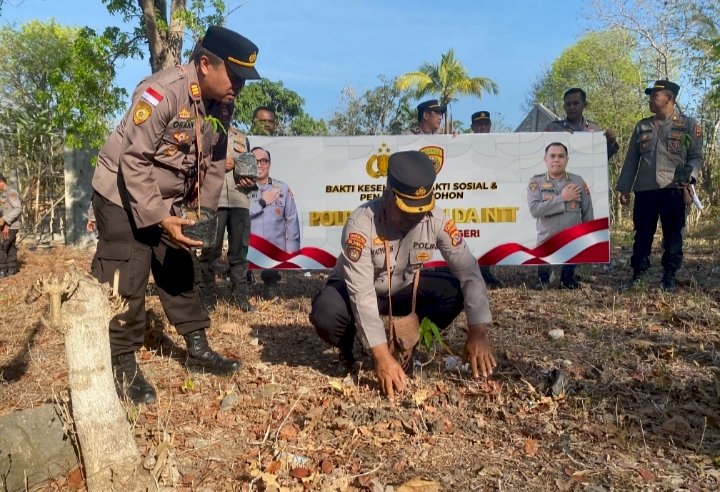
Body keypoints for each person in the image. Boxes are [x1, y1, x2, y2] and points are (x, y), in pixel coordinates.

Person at [90, 25, 261, 404]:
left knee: (179, 262)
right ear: (204, 64)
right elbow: (133, 160)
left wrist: (205, 212)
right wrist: (159, 217)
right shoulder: (162, 92)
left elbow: (214, 161)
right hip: (120, 191)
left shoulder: (223, 103)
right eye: (235, 76)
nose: (240, 86)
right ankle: (122, 361)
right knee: (127, 273)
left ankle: (197, 346)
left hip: (169, 198)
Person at [309, 151, 496, 401]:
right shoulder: (361, 224)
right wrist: (381, 357)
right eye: (407, 211)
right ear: (387, 196)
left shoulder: (435, 219)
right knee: (327, 312)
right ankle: (349, 348)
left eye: (421, 211)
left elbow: (470, 273)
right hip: (360, 293)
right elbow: (362, 296)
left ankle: (407, 345)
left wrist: (478, 332)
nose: (414, 218)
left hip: (400, 291)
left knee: (452, 291)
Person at [616, 80, 703, 291]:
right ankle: (638, 273)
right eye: (650, 96)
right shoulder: (642, 126)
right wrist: (625, 188)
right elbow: (631, 160)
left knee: (673, 234)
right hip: (645, 190)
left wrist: (690, 176)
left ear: (669, 99)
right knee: (642, 234)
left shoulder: (690, 125)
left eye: (655, 96)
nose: (650, 100)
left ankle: (669, 276)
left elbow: (696, 157)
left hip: (673, 188)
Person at [197, 127, 256, 311]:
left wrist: (251, 182)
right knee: (211, 251)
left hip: (240, 200)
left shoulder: (241, 136)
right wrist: (220, 165)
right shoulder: (206, 130)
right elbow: (195, 161)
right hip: (215, 199)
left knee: (240, 252)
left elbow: (250, 168)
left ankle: (240, 296)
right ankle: (206, 296)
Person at [527, 142, 593, 289]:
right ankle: (544, 278)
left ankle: (567, 278)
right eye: (552, 156)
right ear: (545, 159)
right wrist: (562, 198)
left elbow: (587, 210)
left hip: (572, 239)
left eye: (561, 156)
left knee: (569, 283)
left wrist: (589, 236)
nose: (556, 160)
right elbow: (534, 210)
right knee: (542, 285)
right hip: (547, 239)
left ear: (567, 160)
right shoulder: (536, 182)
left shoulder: (578, 181)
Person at [248, 146, 300, 298]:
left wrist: (292, 250)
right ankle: (243, 283)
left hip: (273, 247)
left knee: (271, 273)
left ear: (269, 164)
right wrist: (262, 202)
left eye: (264, 161)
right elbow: (241, 216)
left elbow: (291, 219)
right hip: (248, 247)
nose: (259, 165)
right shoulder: (241, 188)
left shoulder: (282, 188)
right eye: (255, 161)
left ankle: (271, 285)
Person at [470, 111, 501, 287]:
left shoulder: (498, 143)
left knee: (489, 235)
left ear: (490, 125)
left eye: (485, 123)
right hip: (471, 196)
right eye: (478, 124)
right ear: (472, 127)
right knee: (472, 234)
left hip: (491, 196)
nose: (482, 127)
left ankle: (486, 271)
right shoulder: (463, 143)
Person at [545, 88, 619, 160]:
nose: (571, 107)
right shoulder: (553, 128)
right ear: (564, 107)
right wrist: (560, 139)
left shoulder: (596, 130)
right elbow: (541, 154)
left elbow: (602, 159)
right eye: (568, 104)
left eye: (576, 103)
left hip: (588, 172)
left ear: (585, 104)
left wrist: (610, 143)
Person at [0, 174, 22, 277]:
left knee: (2, 247)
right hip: (8, 225)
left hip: (11, 226)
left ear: (1, 182)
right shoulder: (4, 194)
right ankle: (12, 270)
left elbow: (18, 209)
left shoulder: (11, 193)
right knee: (10, 247)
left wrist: (5, 220)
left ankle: (2, 270)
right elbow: (6, 210)